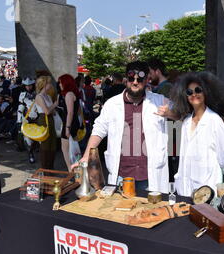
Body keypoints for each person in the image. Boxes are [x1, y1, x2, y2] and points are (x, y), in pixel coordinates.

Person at [72, 61, 177, 194]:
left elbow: (182, 116)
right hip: (121, 175)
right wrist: (86, 157)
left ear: (146, 81)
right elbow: (98, 130)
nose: (135, 82)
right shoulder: (112, 104)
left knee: (149, 213)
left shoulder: (159, 101)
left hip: (150, 176)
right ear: (125, 80)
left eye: (139, 79)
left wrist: (170, 114)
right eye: (131, 79)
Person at [170, 72, 224, 197]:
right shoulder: (186, 122)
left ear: (206, 92)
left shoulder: (214, 120)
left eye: (198, 90)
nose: (194, 94)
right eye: (189, 92)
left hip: (207, 187)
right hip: (185, 188)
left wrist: (210, 169)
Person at [58, 74, 82, 171]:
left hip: (69, 124)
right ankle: (75, 170)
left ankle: (71, 170)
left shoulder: (68, 94)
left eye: (60, 82)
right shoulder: (74, 93)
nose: (59, 84)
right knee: (74, 149)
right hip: (73, 123)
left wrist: (67, 128)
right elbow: (77, 111)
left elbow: (70, 112)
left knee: (66, 150)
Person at [35, 76, 59, 170]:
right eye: (49, 83)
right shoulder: (39, 97)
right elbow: (47, 111)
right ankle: (45, 169)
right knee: (45, 145)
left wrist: (53, 108)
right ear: (44, 85)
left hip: (50, 120)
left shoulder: (48, 96)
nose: (51, 85)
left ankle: (50, 167)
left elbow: (51, 111)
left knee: (52, 145)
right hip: (43, 120)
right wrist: (55, 105)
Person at [17, 77, 38, 163]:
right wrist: (18, 121)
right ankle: (30, 154)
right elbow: (20, 108)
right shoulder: (22, 95)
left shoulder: (37, 94)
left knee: (39, 137)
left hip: (37, 118)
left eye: (30, 85)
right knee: (28, 138)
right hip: (27, 119)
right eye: (27, 86)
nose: (28, 87)